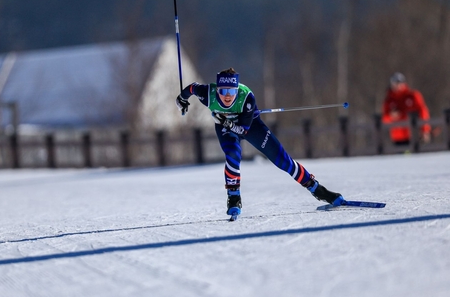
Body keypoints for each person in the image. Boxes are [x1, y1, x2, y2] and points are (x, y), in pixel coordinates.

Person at [175, 68, 343, 218]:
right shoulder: (208, 93)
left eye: (231, 92)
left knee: (282, 160)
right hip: (225, 128)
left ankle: (316, 189)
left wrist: (226, 122)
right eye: (223, 91)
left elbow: (243, 130)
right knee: (233, 154)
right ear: (217, 90)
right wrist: (182, 99)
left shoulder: (246, 97)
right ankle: (234, 197)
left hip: (250, 125)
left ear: (237, 90)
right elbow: (191, 88)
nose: (227, 96)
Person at [381, 72, 431, 145]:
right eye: (395, 83)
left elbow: (423, 112)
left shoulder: (413, 96)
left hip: (415, 134)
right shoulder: (389, 100)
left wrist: (425, 130)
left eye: (400, 83)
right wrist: (391, 117)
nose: (398, 86)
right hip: (398, 137)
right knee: (402, 155)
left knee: (418, 155)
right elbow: (384, 119)